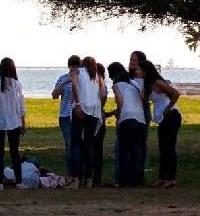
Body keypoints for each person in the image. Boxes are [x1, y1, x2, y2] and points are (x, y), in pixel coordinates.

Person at [138, 56, 182, 187]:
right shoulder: (147, 84)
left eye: (139, 69)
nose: (137, 71)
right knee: (163, 147)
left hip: (171, 115)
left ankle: (171, 178)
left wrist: (168, 108)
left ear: (145, 71)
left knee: (169, 147)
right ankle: (162, 177)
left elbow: (175, 93)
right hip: (163, 118)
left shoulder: (158, 82)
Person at [0, 57, 26, 190]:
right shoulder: (17, 85)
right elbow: (21, 107)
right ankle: (19, 181)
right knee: (15, 152)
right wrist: (23, 123)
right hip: (14, 122)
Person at [107, 62, 146, 187]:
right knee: (135, 150)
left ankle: (123, 180)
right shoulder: (134, 84)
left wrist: (118, 114)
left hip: (127, 118)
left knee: (123, 151)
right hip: (140, 118)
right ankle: (136, 179)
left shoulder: (117, 85)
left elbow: (120, 100)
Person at [70, 56, 106, 189]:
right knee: (89, 145)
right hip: (94, 112)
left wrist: (78, 103)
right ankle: (89, 178)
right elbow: (102, 94)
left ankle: (75, 178)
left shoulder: (78, 72)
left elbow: (74, 84)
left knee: (76, 144)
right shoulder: (97, 76)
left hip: (81, 109)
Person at [51, 55, 81, 182]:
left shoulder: (83, 78)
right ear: (68, 66)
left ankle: (78, 173)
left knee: (78, 144)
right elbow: (54, 95)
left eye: (76, 66)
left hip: (78, 114)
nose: (74, 69)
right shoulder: (63, 78)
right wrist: (64, 83)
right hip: (65, 115)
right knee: (69, 143)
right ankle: (70, 173)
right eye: (72, 66)